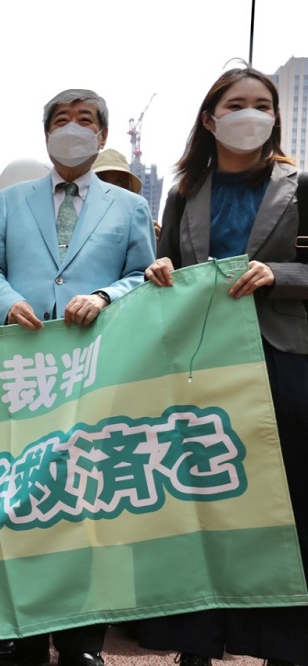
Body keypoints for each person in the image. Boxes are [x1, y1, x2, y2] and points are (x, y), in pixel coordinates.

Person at [0, 89, 156, 666]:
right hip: (24, 368)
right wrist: (5, 303)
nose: (72, 129)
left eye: (84, 122)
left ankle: (83, 644)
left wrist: (103, 296)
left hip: (94, 370)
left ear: (101, 137)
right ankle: (21, 636)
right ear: (45, 133)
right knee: (21, 497)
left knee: (87, 501)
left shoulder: (127, 207)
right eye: (60, 121)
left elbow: (142, 278)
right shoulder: (12, 201)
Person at [136, 65, 308, 666]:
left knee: (287, 504)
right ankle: (197, 643)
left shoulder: (301, 186)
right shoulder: (185, 191)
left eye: (263, 104)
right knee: (201, 499)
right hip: (202, 364)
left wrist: (278, 275)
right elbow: (164, 270)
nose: (251, 114)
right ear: (211, 118)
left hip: (283, 360)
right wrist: (160, 273)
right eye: (237, 103)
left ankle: (288, 645)